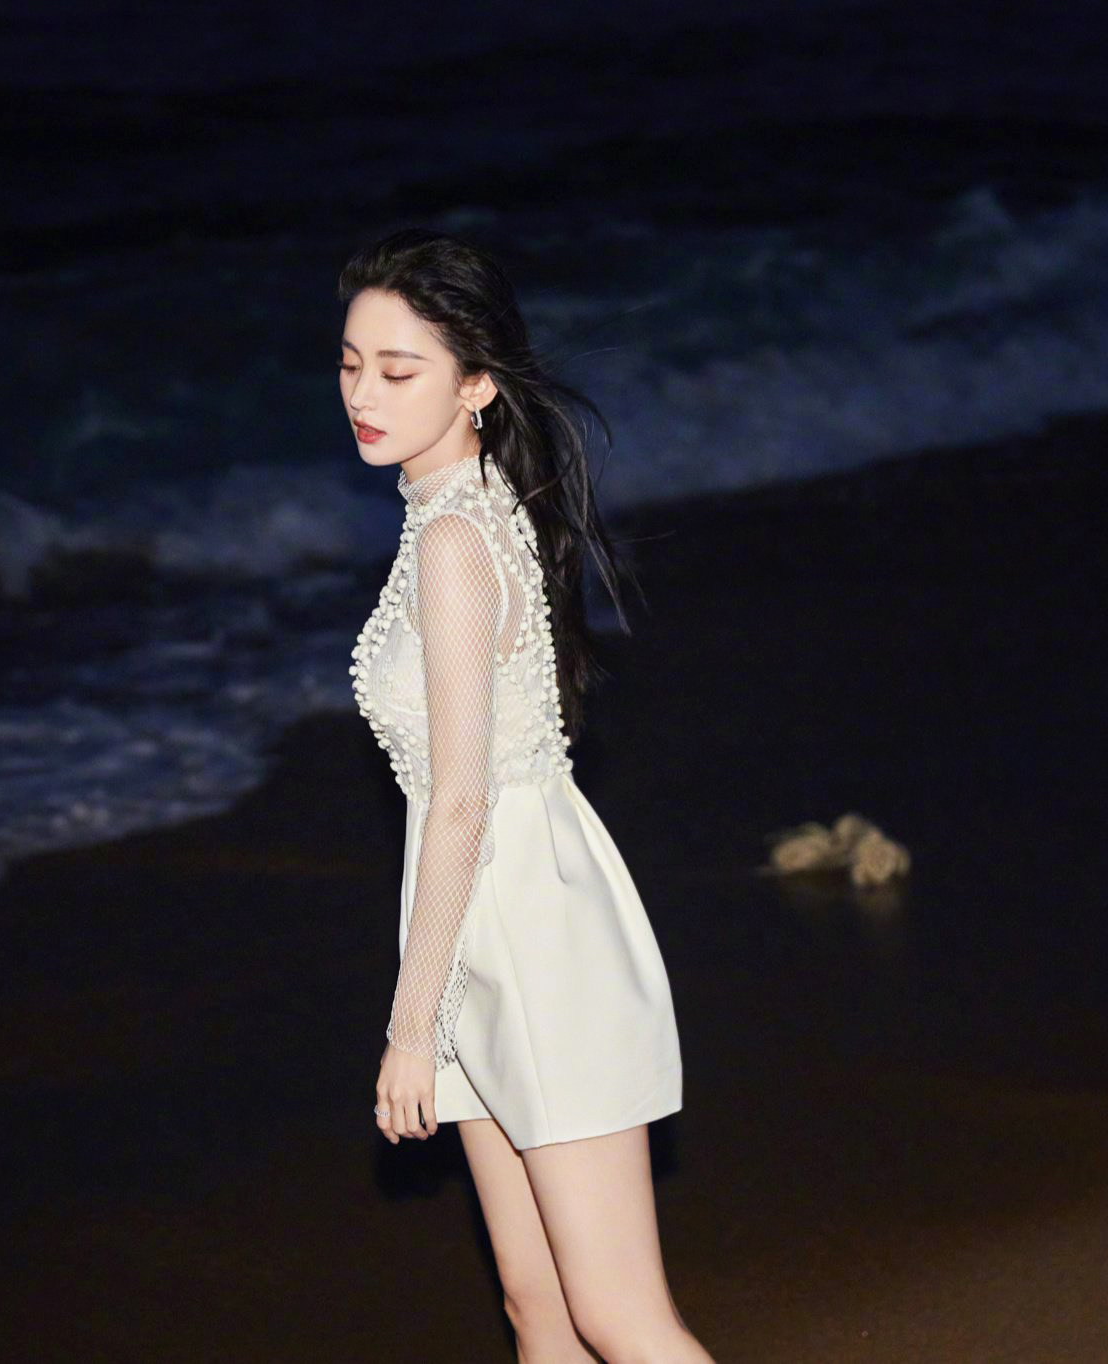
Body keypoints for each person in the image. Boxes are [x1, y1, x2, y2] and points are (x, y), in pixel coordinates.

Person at [341, 228, 715, 1363]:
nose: (363, 394)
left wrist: (410, 1029)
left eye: (398, 370)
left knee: (618, 1316)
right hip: (477, 932)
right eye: (350, 363)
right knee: (535, 1308)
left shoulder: (455, 540)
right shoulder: (453, 510)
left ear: (477, 385)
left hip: (528, 935)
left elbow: (460, 799)